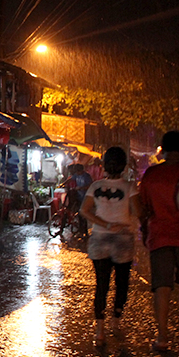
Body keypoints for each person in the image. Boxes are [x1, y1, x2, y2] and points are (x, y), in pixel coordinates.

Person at [138, 131, 179, 351]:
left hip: (161, 235)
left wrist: (144, 227)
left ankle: (162, 336)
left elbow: (144, 206)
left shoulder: (152, 174)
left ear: (162, 150)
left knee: (162, 285)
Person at [80, 147, 140, 346]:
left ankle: (99, 331)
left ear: (104, 164)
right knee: (122, 283)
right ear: (124, 166)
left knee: (102, 285)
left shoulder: (95, 186)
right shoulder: (130, 187)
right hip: (123, 239)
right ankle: (116, 320)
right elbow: (138, 211)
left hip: (99, 238)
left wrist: (104, 223)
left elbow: (85, 211)